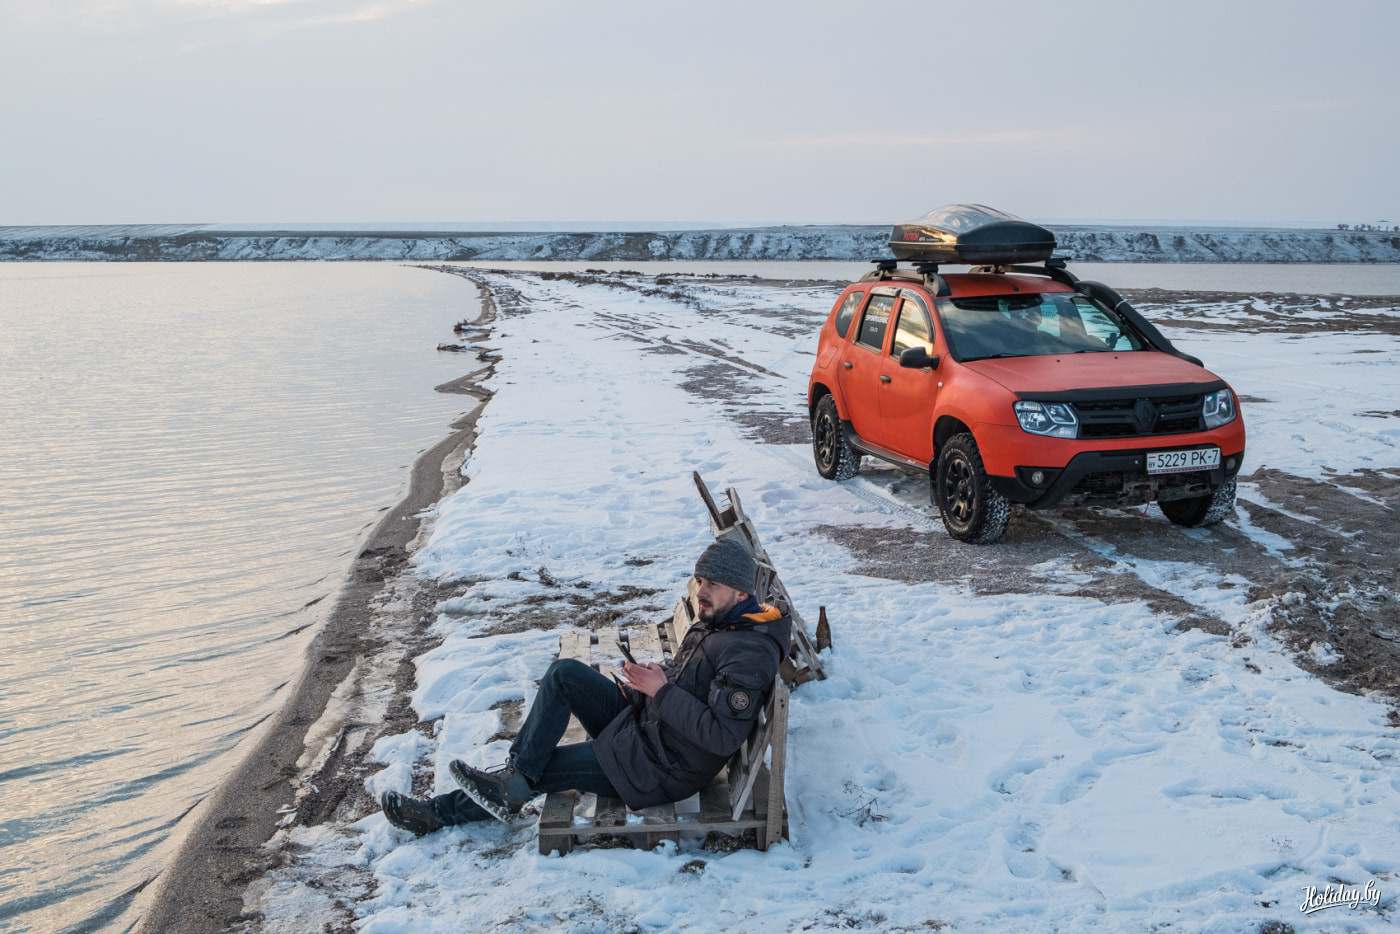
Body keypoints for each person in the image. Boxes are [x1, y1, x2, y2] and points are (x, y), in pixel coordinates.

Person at [380, 538, 792, 835]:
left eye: (712, 585)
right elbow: (696, 679)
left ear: (740, 591)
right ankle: (515, 776)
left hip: (658, 768)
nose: (700, 592)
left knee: (543, 769)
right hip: (648, 729)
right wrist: (656, 676)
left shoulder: (747, 651)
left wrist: (661, 691)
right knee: (564, 675)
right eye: (700, 581)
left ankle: (435, 814)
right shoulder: (723, 622)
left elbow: (721, 735)